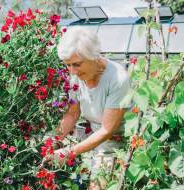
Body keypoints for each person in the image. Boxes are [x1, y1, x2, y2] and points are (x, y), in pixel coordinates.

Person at [44, 26, 132, 190]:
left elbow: (107, 130)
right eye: (68, 65)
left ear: (93, 57)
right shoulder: (76, 78)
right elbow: (72, 113)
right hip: (92, 140)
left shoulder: (117, 79)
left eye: (76, 64)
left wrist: (68, 153)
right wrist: (54, 140)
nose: (72, 71)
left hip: (117, 145)